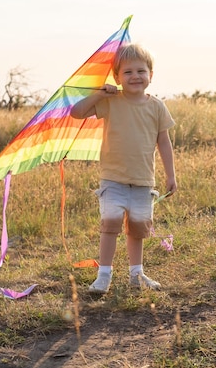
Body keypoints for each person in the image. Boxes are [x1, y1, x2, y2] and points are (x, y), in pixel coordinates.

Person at [70, 43, 177, 294]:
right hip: (113, 179)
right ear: (117, 77)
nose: (135, 77)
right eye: (127, 72)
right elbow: (77, 113)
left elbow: (164, 141)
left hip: (143, 180)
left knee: (138, 229)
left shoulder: (157, 106)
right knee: (110, 224)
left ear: (151, 75)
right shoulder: (111, 101)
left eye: (141, 71)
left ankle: (136, 273)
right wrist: (98, 94)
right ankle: (104, 275)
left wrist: (171, 174)